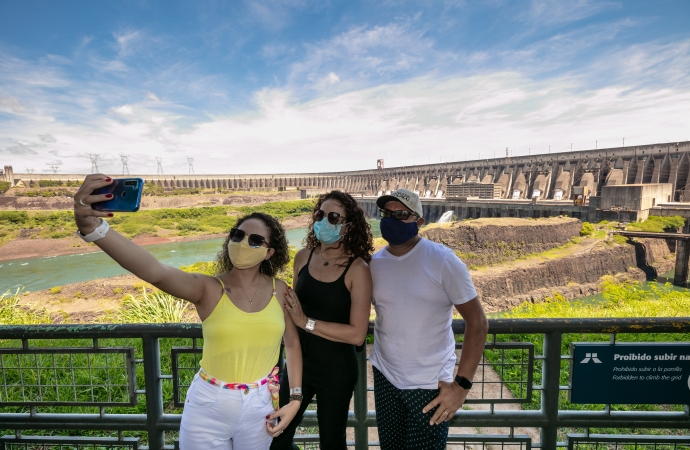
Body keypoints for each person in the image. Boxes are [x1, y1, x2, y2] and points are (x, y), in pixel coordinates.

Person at [72, 174, 303, 450]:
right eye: (237, 235)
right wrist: (94, 228)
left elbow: (291, 343)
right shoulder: (209, 289)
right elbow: (155, 272)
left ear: (269, 253)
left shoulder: (280, 290)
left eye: (255, 240)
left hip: (260, 406)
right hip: (208, 405)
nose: (242, 243)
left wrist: (296, 399)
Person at [369, 188, 489, 450]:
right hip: (386, 377)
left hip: (430, 385)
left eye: (401, 214)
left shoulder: (443, 260)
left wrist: (461, 388)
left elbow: (478, 323)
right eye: (387, 213)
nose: (391, 219)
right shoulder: (374, 263)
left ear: (419, 221)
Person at [271, 190, 374, 450]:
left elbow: (357, 334)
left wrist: (306, 321)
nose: (324, 221)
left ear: (348, 226)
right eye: (320, 214)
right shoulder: (303, 257)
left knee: (331, 441)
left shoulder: (357, 269)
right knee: (278, 436)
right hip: (298, 365)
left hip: (336, 370)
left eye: (333, 217)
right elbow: (291, 309)